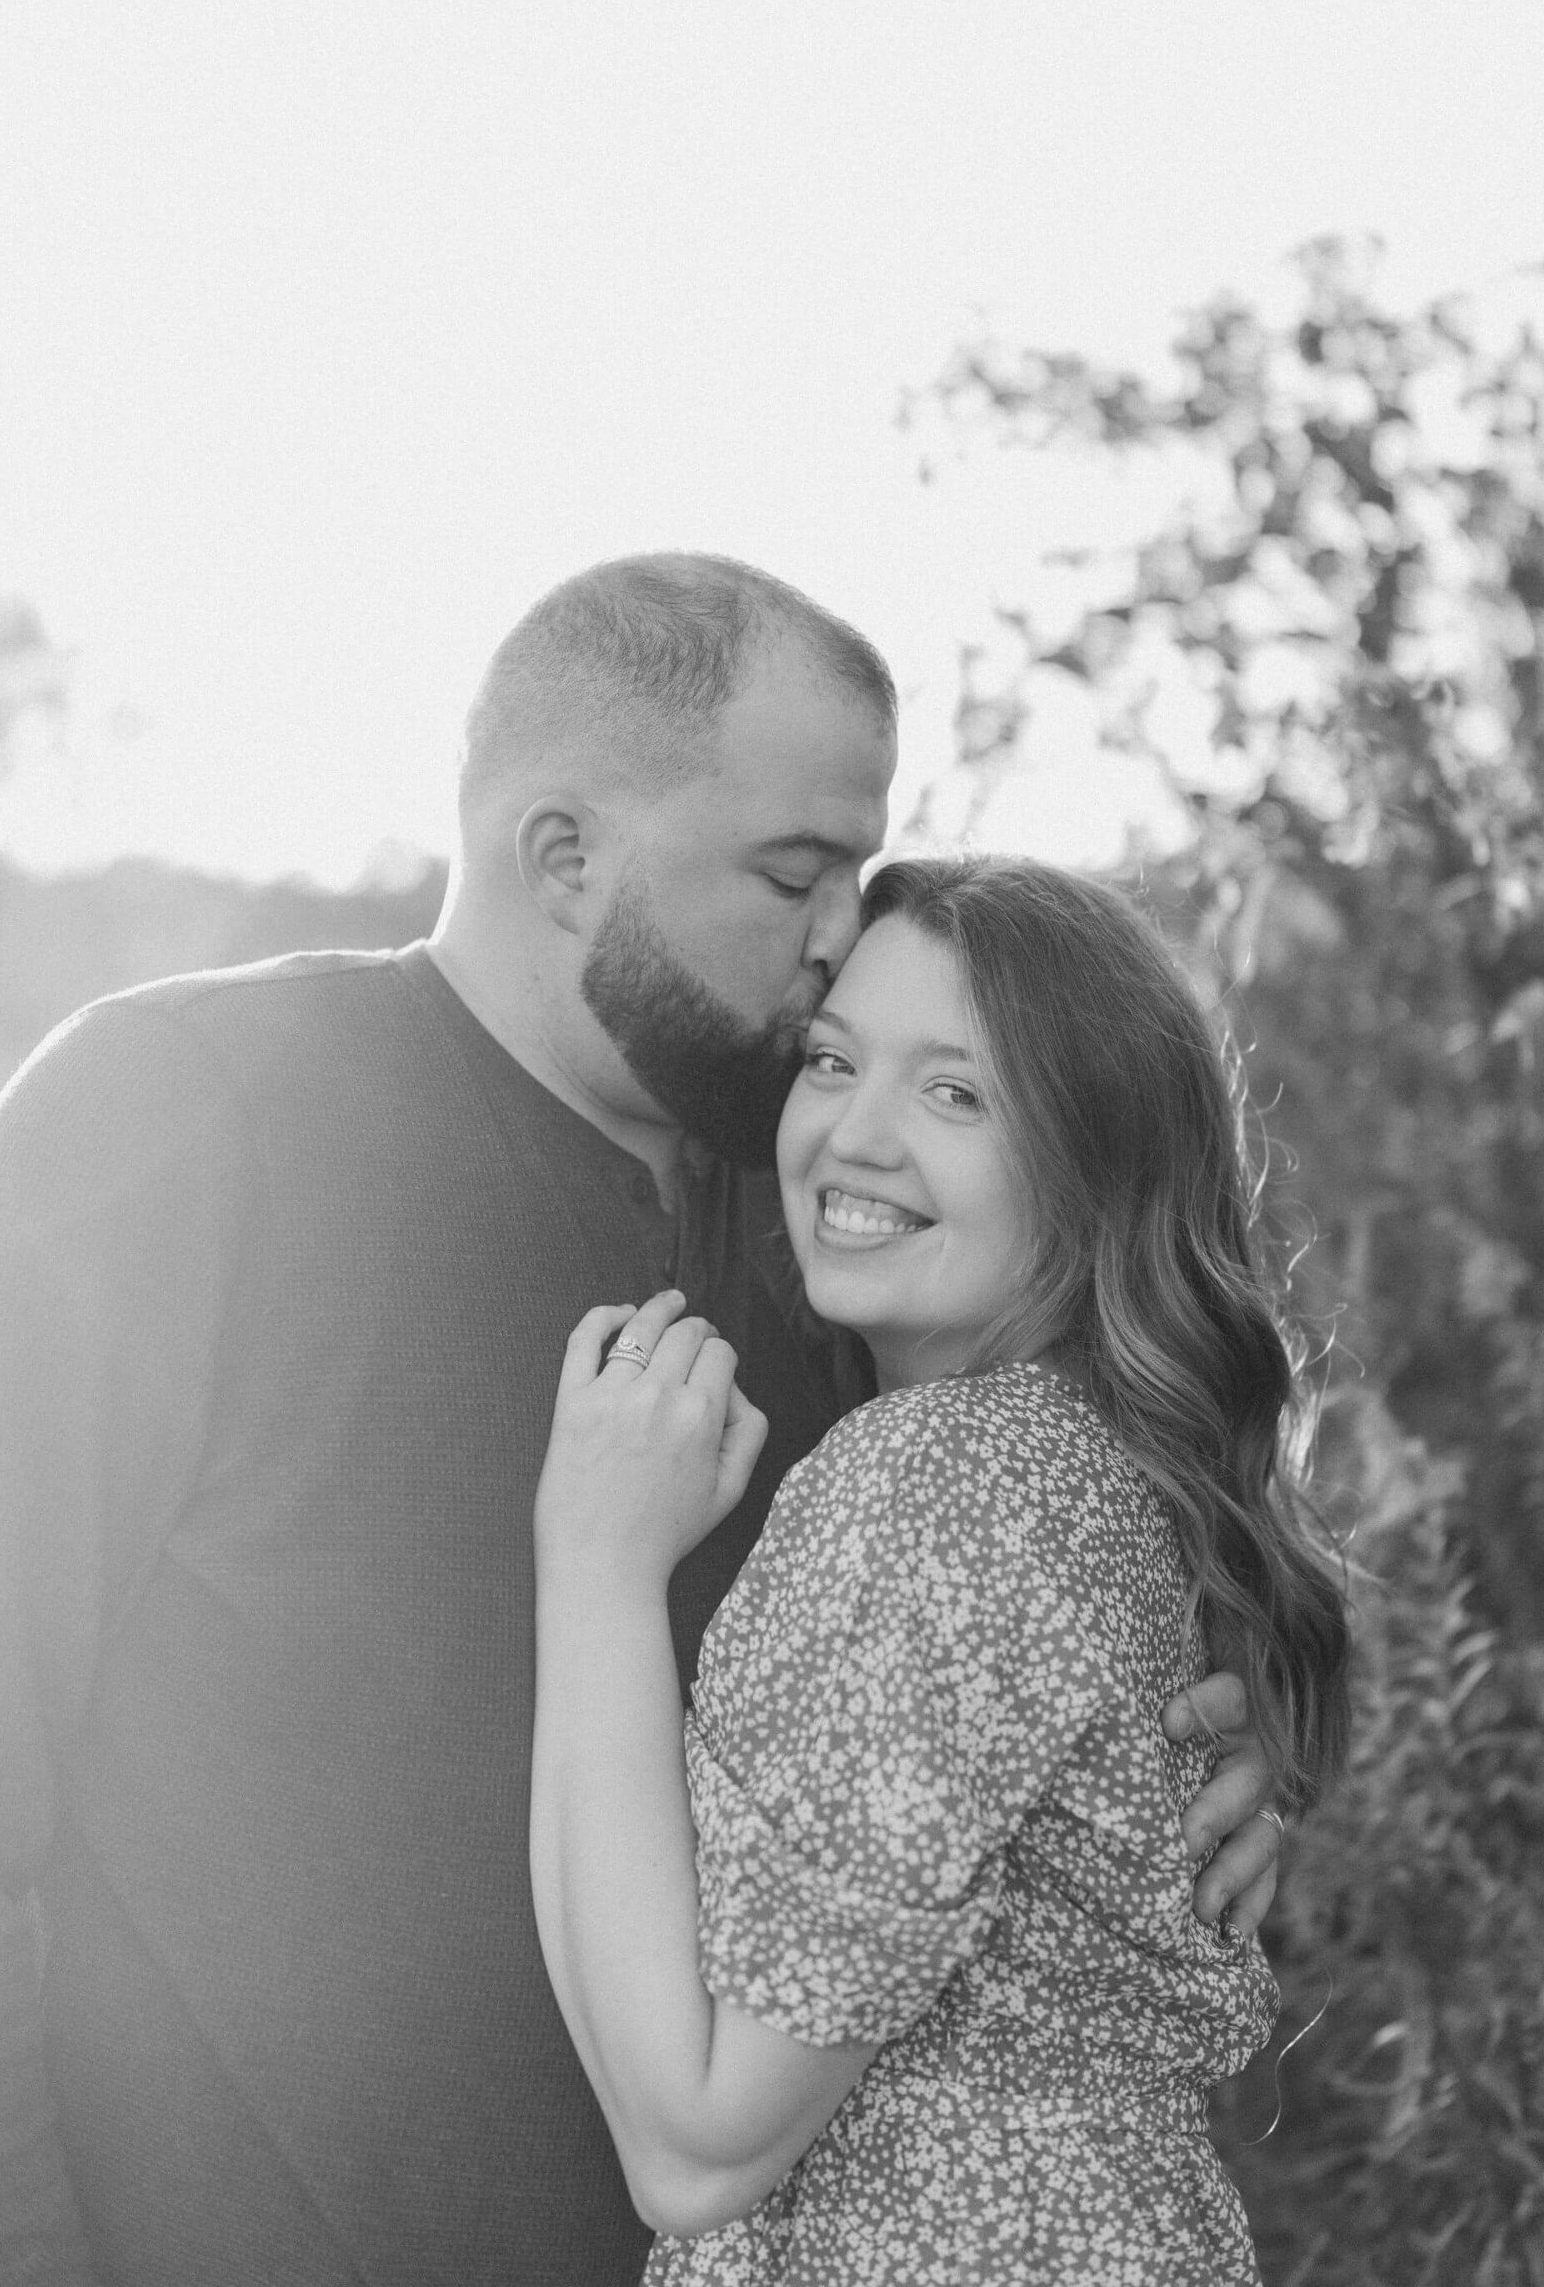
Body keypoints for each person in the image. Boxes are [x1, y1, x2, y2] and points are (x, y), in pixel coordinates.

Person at [0, 556, 1284, 2287]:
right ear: (565, 858)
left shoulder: (844, 1242)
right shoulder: (181, 1118)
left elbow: (985, 1657)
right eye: (792, 875)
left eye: (855, 875)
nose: (833, 939)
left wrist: (1198, 1762)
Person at [532, 853, 1351, 2282]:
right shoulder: (1096, 1469)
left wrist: (594, 1566)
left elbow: (698, 2146)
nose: (854, 1134)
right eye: (832, 1061)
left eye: (954, 1092)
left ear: (1098, 1167)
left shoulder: (943, 1483)